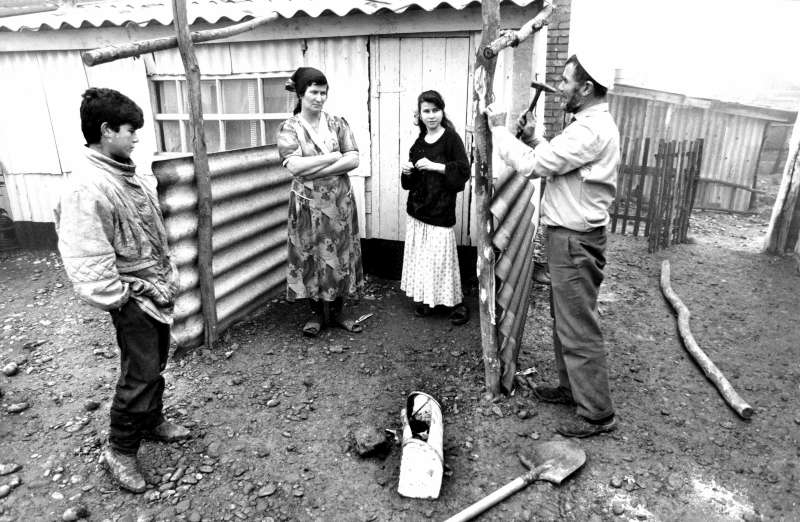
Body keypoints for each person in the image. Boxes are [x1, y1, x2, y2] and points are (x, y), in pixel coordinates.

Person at [55, 88, 188, 493]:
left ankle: (151, 421)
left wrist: (164, 278)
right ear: (106, 129)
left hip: (155, 289)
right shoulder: (88, 186)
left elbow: (153, 234)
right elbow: (87, 257)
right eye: (130, 130)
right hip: (132, 297)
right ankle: (121, 449)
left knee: (156, 360)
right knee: (141, 371)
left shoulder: (127, 173)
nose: (136, 138)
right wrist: (122, 296)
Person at [482, 54, 620, 438]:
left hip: (575, 240)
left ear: (586, 88)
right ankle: (570, 388)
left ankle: (596, 413)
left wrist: (499, 130)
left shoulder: (589, 130)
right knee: (566, 319)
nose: (560, 87)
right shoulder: (587, 127)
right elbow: (562, 163)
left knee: (577, 326)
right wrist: (534, 139)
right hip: (571, 237)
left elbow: (532, 166)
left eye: (565, 81)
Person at [277, 67, 365, 336]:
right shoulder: (289, 128)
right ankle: (316, 314)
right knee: (311, 254)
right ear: (301, 94)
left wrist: (316, 169)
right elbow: (294, 166)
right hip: (307, 204)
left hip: (338, 202)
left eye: (323, 92)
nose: (319, 98)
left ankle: (338, 311)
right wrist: (331, 159)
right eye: (313, 92)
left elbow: (353, 158)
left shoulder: (337, 123)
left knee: (339, 253)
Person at [400, 90, 471, 325]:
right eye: (426, 111)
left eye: (435, 110)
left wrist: (435, 166)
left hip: (441, 211)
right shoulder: (418, 144)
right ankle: (427, 300)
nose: (431, 116)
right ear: (419, 115)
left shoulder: (450, 138)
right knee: (422, 259)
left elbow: (463, 171)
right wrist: (407, 172)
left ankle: (455, 303)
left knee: (442, 260)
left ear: (442, 111)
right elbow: (408, 185)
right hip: (418, 210)